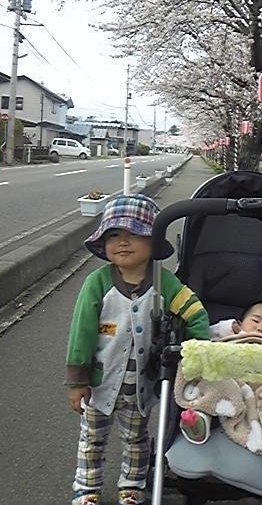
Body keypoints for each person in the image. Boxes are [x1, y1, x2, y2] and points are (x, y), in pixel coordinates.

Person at [65, 194, 209, 505]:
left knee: (136, 439)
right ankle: (87, 489)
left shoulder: (165, 283)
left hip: (142, 386)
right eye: (113, 235)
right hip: (100, 385)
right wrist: (77, 381)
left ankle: (131, 486)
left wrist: (197, 352)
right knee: (92, 439)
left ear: (153, 242)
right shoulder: (97, 283)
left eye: (134, 234)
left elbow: (195, 313)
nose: (122, 242)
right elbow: (81, 333)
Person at [178, 302, 262, 451]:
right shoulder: (233, 334)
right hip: (229, 379)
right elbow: (206, 336)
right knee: (214, 387)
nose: (260, 328)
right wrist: (228, 327)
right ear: (241, 322)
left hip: (259, 388)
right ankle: (198, 421)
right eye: (255, 321)